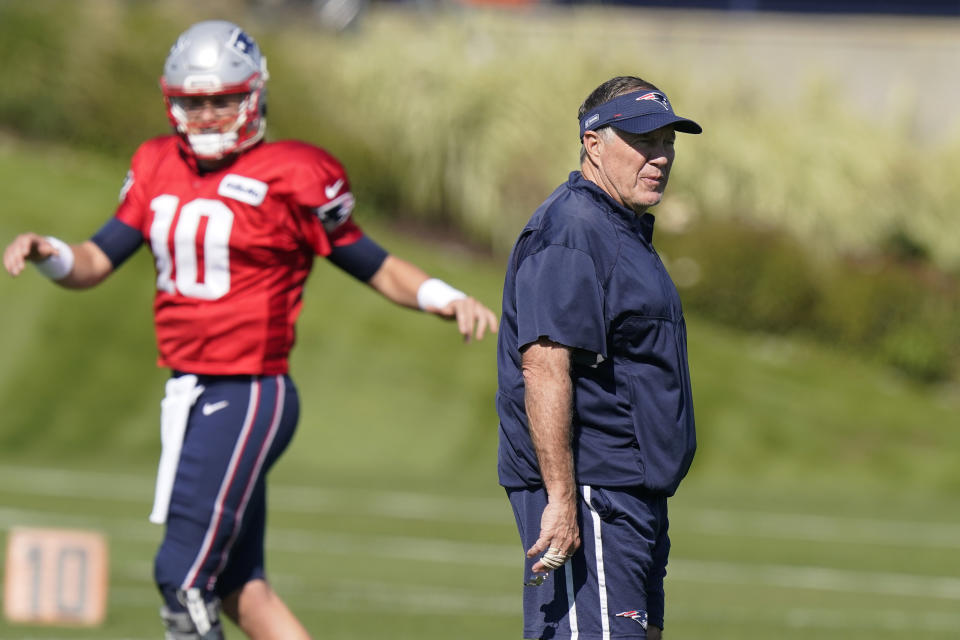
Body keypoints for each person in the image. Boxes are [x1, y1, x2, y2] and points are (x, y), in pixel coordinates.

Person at [3, 20, 497, 640]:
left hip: (246, 391)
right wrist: (49, 253)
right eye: (193, 102)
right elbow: (96, 260)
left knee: (182, 578)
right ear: (171, 101)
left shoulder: (294, 173)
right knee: (242, 591)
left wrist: (443, 297)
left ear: (255, 95)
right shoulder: (156, 162)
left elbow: (368, 260)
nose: (207, 116)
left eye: (222, 100)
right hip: (190, 391)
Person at [495, 76, 701, 640]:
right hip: (592, 496)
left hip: (630, 496)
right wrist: (561, 499)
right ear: (593, 143)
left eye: (667, 141)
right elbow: (542, 365)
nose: (660, 157)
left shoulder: (618, 229)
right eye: (643, 140)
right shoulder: (572, 230)